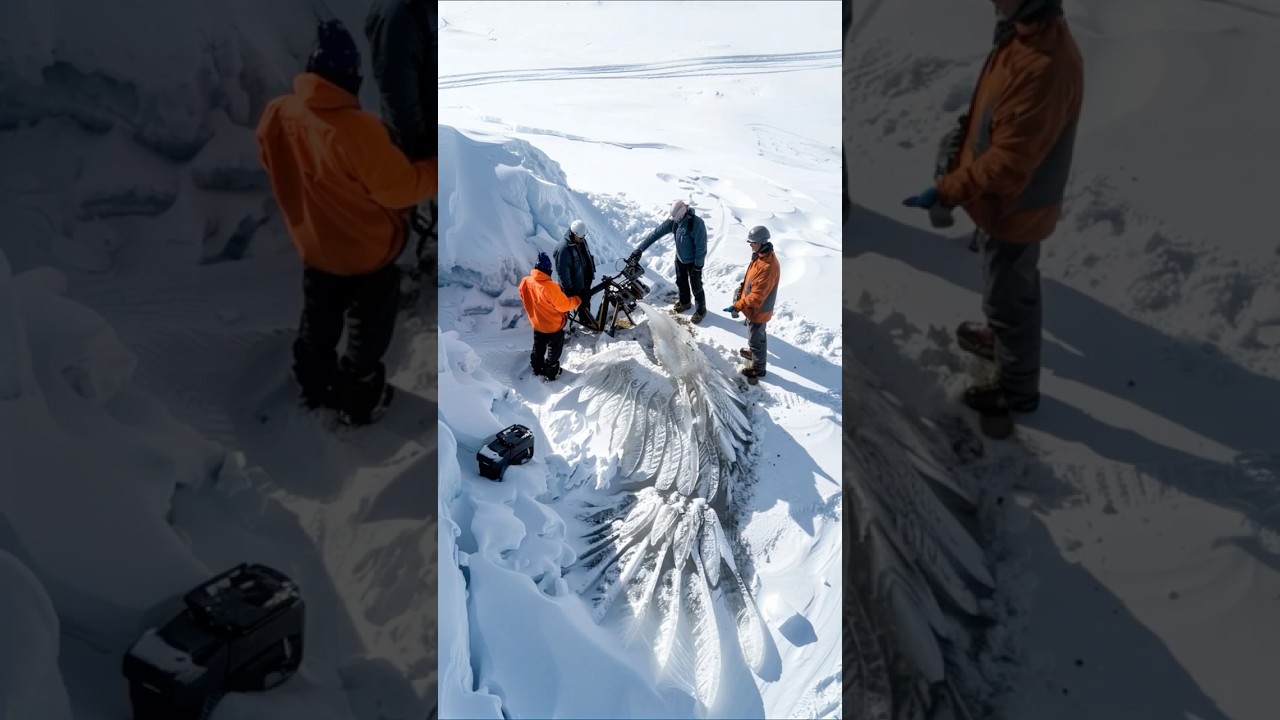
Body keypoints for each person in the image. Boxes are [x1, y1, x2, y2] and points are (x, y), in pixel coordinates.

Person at [900, 0, 1082, 418]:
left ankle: (1017, 391)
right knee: (1003, 284)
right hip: (999, 203)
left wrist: (947, 190)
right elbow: (996, 110)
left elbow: (1009, 163)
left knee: (1010, 299)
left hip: (1016, 209)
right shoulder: (1020, 34)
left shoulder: (1043, 65)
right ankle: (1000, 342)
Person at [256, 19, 438, 426]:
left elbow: (271, 158)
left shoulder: (279, 112)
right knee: (367, 330)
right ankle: (359, 396)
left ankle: (312, 381)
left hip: (315, 246)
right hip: (366, 254)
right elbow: (400, 189)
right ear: (352, 74)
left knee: (318, 318)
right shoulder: (358, 130)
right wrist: (437, 167)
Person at [364, 0, 438, 285]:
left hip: (426, 143)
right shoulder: (399, 13)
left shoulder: (413, 10)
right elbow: (397, 90)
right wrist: (419, 147)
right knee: (421, 225)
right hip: (418, 148)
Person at [628, 199, 709, 323]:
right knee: (681, 282)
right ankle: (685, 302)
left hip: (694, 262)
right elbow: (655, 233)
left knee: (696, 286)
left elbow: (701, 247)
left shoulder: (696, 224)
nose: (674, 219)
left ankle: (701, 310)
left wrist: (698, 266)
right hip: (680, 258)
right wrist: (639, 250)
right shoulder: (674, 222)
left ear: (683, 213)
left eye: (677, 217)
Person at [724, 226, 780, 385]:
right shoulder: (759, 256)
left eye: (753, 242)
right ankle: (754, 354)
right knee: (754, 334)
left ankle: (759, 368)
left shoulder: (768, 267)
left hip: (759, 310)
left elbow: (756, 297)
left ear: (762, 242)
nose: (750, 245)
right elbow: (752, 280)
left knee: (757, 338)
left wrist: (737, 306)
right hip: (752, 309)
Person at [518, 252, 581, 381]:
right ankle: (551, 372)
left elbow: (522, 295)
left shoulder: (526, 281)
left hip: (537, 323)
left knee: (538, 346)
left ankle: (536, 367)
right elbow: (564, 306)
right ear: (548, 270)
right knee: (554, 348)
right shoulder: (550, 287)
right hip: (553, 325)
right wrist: (577, 299)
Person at [553, 219, 598, 330]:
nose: (583, 240)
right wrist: (569, 289)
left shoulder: (580, 241)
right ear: (574, 233)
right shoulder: (564, 248)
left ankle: (586, 322)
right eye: (581, 237)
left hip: (584, 280)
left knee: (586, 302)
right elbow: (563, 272)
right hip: (574, 285)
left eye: (584, 237)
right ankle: (565, 327)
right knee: (570, 306)